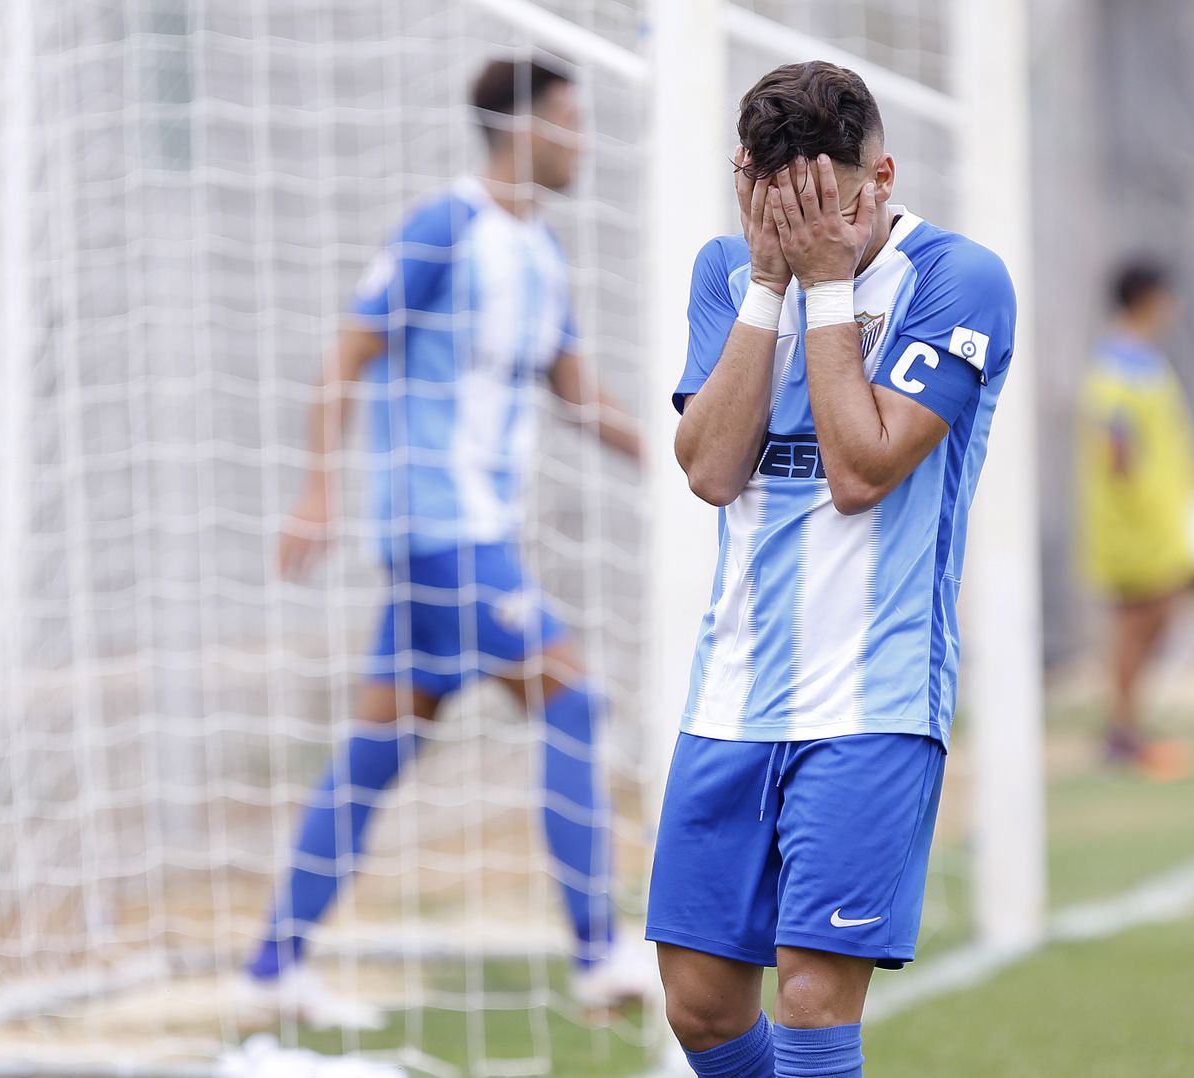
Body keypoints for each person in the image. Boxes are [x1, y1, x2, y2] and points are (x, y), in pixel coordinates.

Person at [242, 55, 649, 1027]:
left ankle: (273, 966)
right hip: (438, 529)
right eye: (569, 121)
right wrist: (318, 491)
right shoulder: (446, 227)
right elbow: (348, 350)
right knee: (568, 690)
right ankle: (597, 952)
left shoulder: (542, 253)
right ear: (523, 128)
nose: (581, 140)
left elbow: (574, 386)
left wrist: (681, 458)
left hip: (471, 533)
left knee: (378, 752)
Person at [647, 61, 1018, 1078]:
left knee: (810, 999)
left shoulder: (958, 278)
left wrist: (824, 280)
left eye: (830, 200)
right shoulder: (726, 268)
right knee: (702, 1007)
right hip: (731, 694)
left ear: (882, 174)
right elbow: (711, 469)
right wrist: (772, 279)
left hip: (874, 697)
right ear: (745, 182)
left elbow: (861, 469)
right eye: (782, 204)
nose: (807, 220)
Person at [1077, 258, 1194, 782]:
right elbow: (1117, 440)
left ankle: (1126, 724)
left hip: (1157, 515)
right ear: (1149, 298)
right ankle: (1123, 731)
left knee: (1158, 618)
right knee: (1138, 620)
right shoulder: (1117, 363)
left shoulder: (1143, 360)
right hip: (1133, 520)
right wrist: (1138, 498)